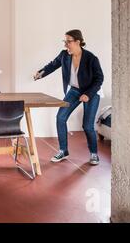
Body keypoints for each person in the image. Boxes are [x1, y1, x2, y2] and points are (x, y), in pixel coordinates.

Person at [34, 29, 104, 165]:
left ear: (78, 42)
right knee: (61, 117)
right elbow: (53, 65)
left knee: (87, 125)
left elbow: (99, 79)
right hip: (74, 90)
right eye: (65, 41)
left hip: (92, 92)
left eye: (69, 41)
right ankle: (63, 150)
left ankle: (94, 153)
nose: (66, 44)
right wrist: (40, 73)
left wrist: (88, 94)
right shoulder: (64, 55)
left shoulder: (91, 58)